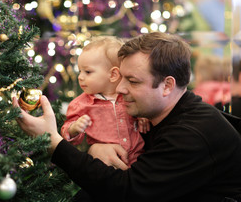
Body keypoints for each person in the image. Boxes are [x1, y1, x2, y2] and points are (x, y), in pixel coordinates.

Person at [13, 32, 241, 201]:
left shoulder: (191, 134)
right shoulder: (158, 114)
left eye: (132, 81)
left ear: (167, 85)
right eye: (120, 77)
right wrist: (96, 147)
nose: (120, 88)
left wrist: (54, 143)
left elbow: (127, 192)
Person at [61, 36, 148, 166]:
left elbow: (144, 109)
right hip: (105, 164)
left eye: (88, 72)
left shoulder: (128, 96)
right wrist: (74, 128)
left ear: (113, 75)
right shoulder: (81, 104)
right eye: (80, 71)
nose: (80, 77)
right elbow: (67, 133)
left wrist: (144, 117)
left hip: (138, 159)